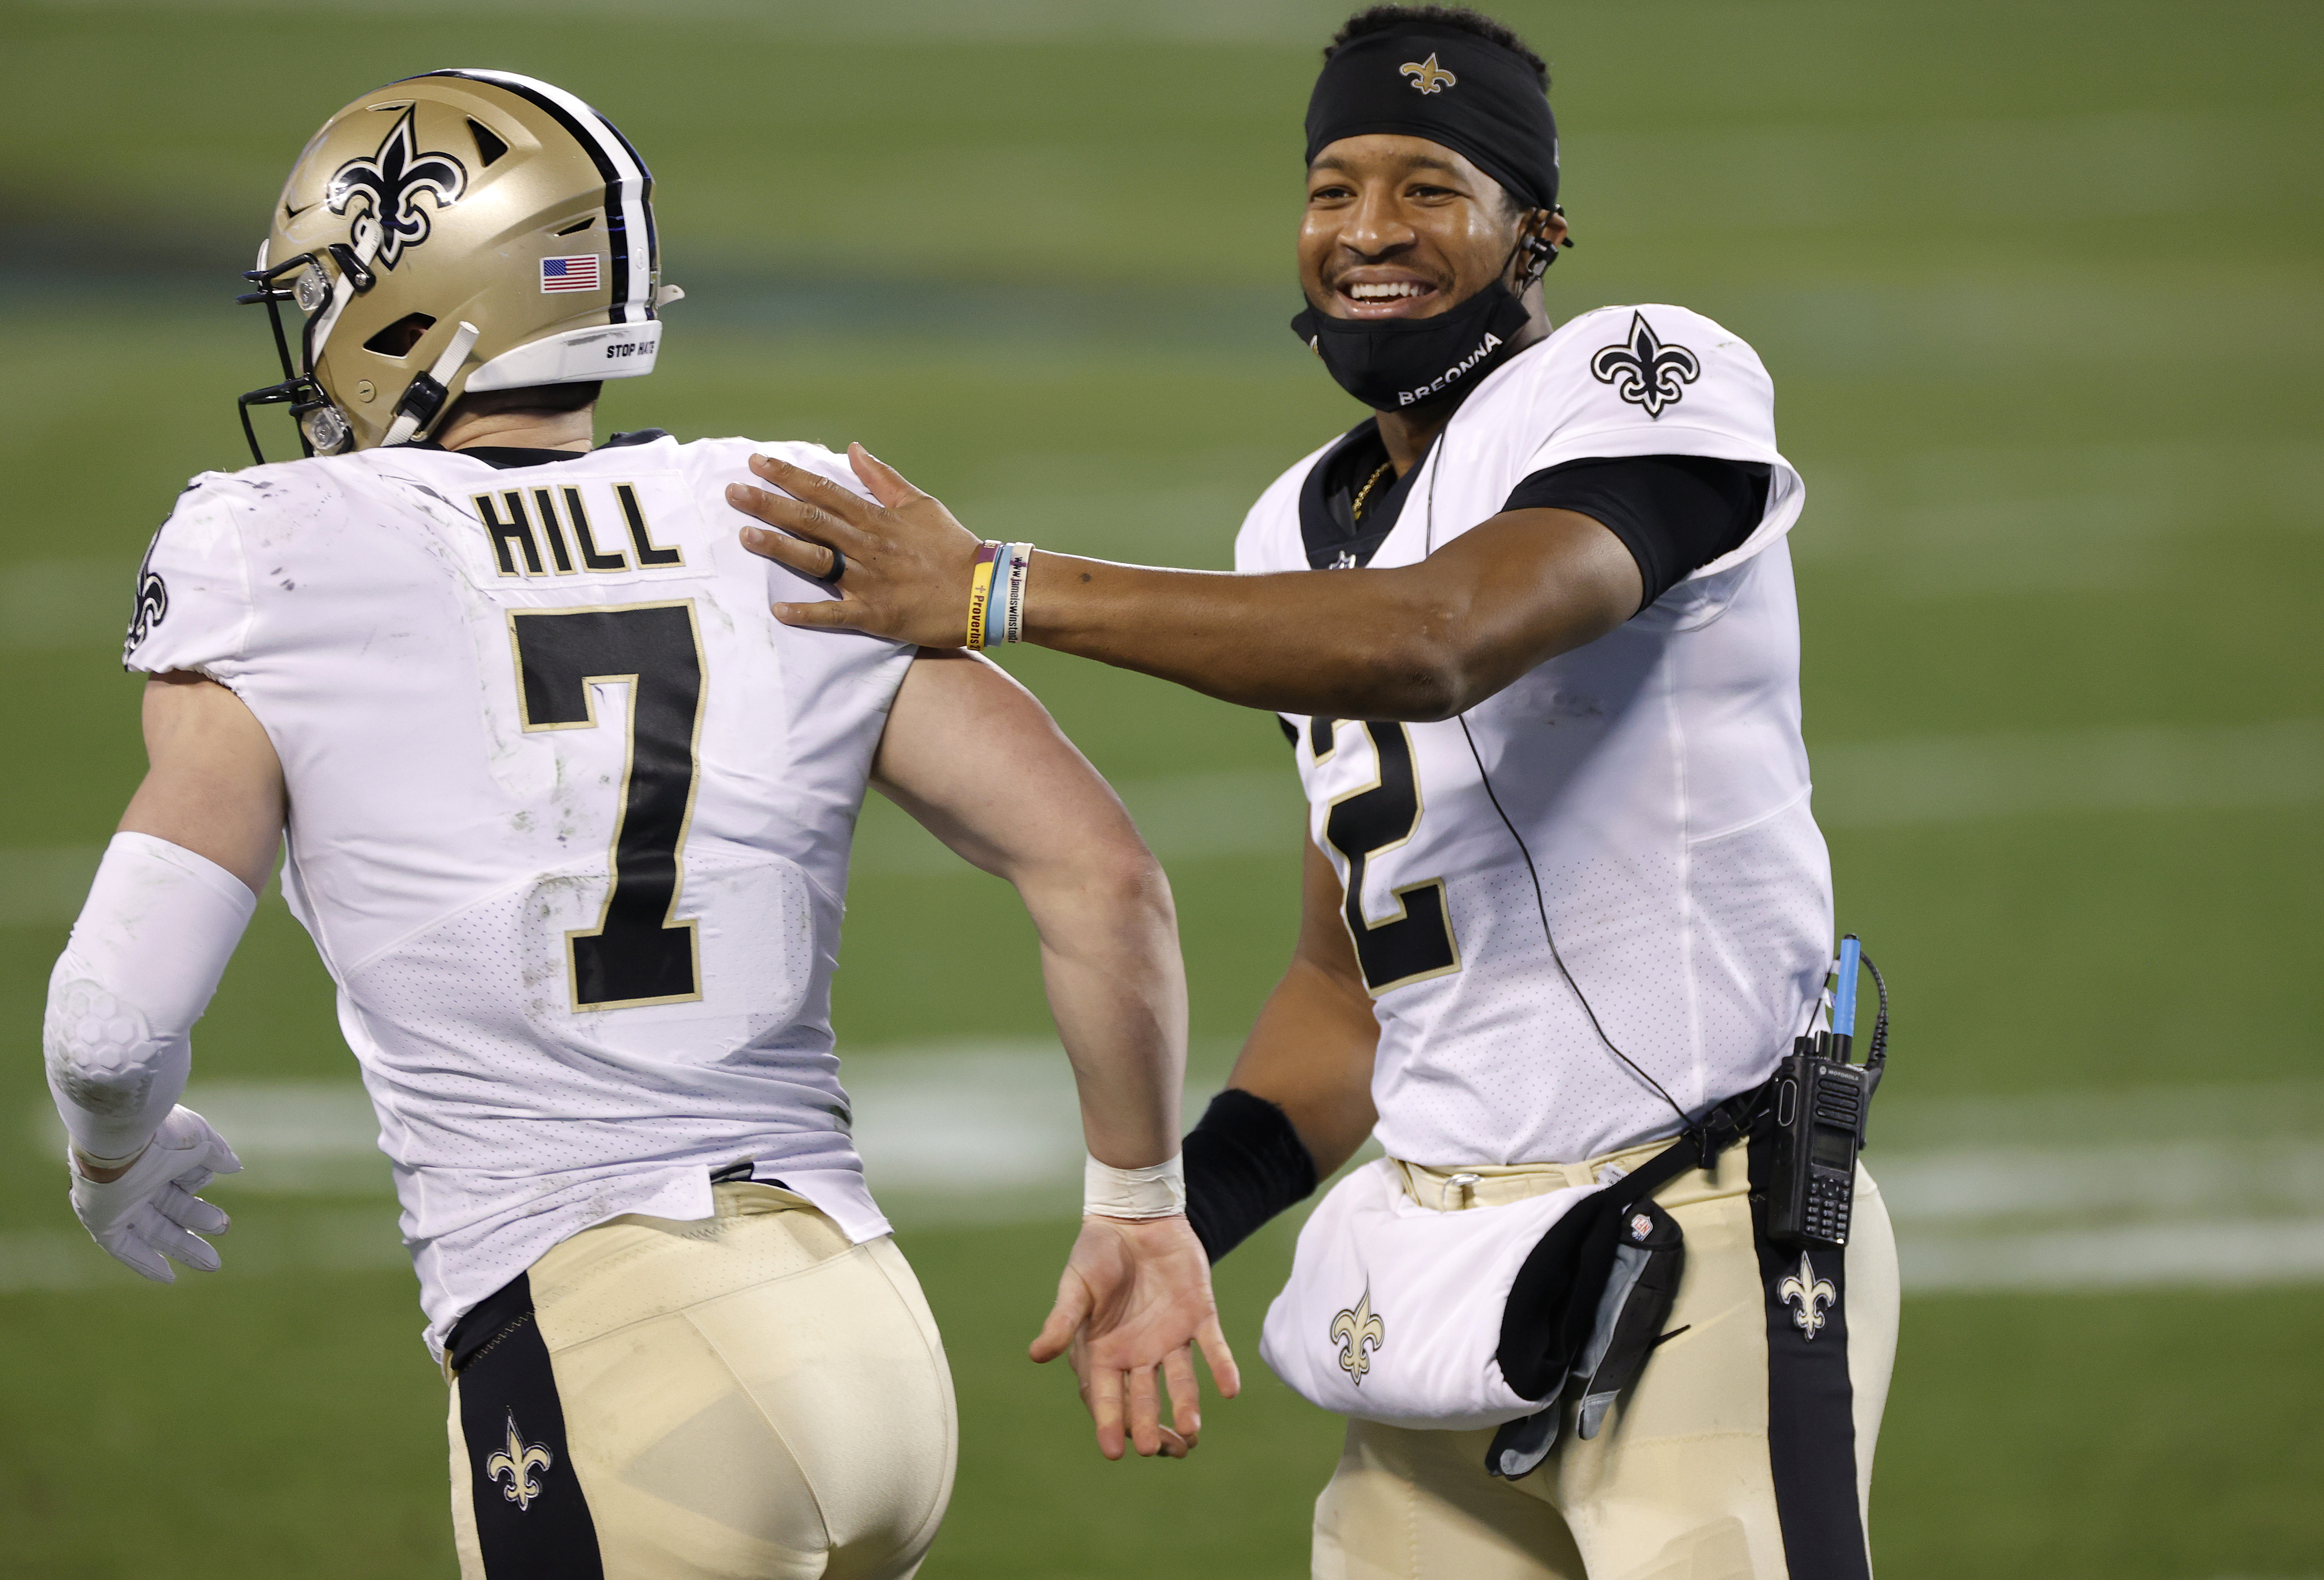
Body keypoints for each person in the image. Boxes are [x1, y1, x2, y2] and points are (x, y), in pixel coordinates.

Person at [726, 7, 1898, 1577]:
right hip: (1443, 1274)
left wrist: (1002, 588)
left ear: (1537, 229)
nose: (1369, 231)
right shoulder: (1297, 524)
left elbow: (1440, 639)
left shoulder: (1640, 377)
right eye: (1334, 188)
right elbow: (1348, 998)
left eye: (1430, 187)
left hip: (1699, 1240)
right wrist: (1172, 1213)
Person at [44, 68, 1233, 1580]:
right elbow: (1106, 875)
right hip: (868, 1336)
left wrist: (115, 1156)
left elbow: (109, 1027)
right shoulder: (782, 514)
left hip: (611, 1352)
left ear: (420, 290)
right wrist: (1139, 1205)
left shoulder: (280, 546)